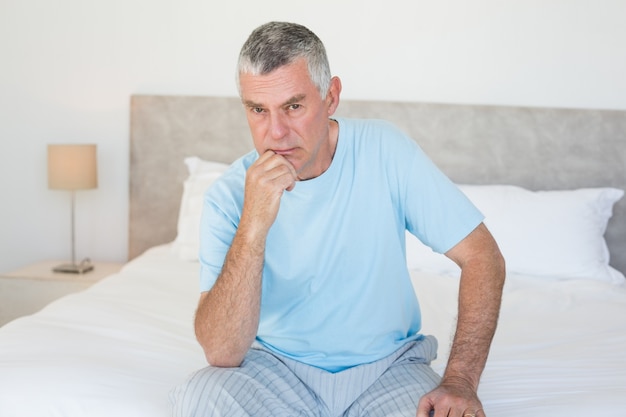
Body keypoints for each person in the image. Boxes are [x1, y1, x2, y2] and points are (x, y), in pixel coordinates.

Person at [171, 21, 505, 417]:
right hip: (272, 370)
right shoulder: (228, 195)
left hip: (388, 370)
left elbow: (483, 256)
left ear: (331, 97)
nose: (275, 133)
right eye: (258, 110)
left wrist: (460, 380)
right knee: (199, 398)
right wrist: (254, 224)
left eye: (293, 106)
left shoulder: (385, 150)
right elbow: (222, 352)